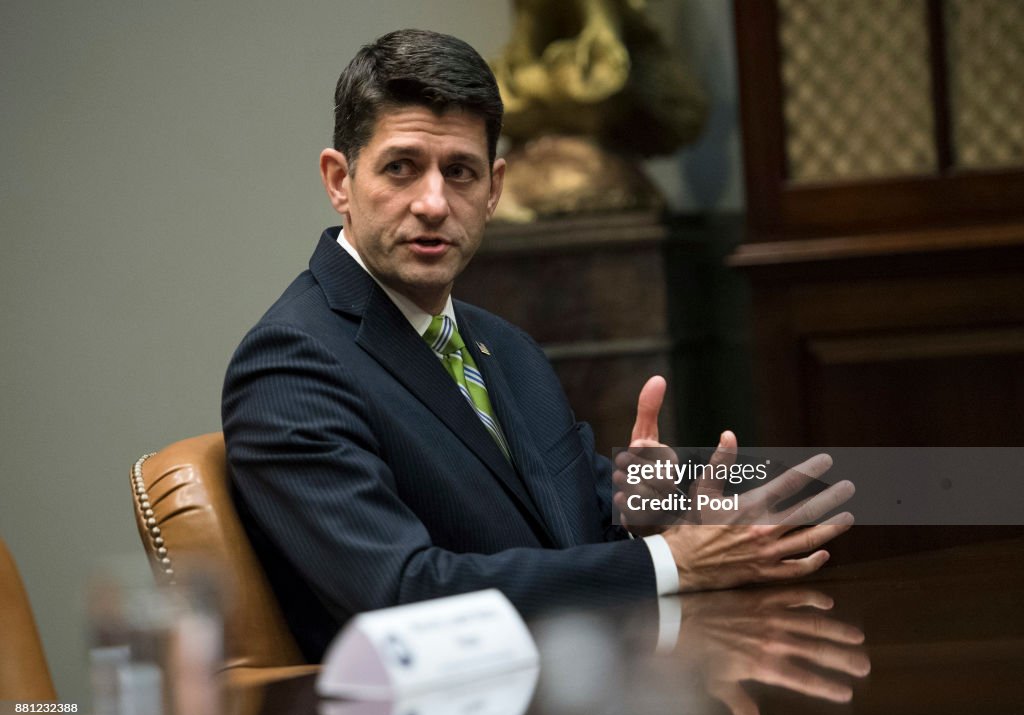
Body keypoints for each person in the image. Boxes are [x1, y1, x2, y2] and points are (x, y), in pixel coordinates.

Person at [222, 29, 852, 662]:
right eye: (401, 168)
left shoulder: (505, 346)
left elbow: (573, 521)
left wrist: (646, 509)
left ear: (494, 189)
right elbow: (401, 595)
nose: (434, 203)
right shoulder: (290, 363)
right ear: (339, 179)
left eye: (460, 172)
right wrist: (669, 562)